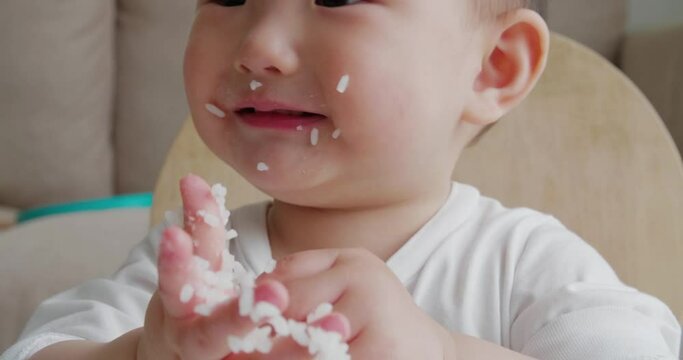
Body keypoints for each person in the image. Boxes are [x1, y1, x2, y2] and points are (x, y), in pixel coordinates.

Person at [3, 0, 681, 359]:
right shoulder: (188, 273)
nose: (259, 48)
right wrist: (142, 355)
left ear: (490, 69)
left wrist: (441, 354)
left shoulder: (526, 268)